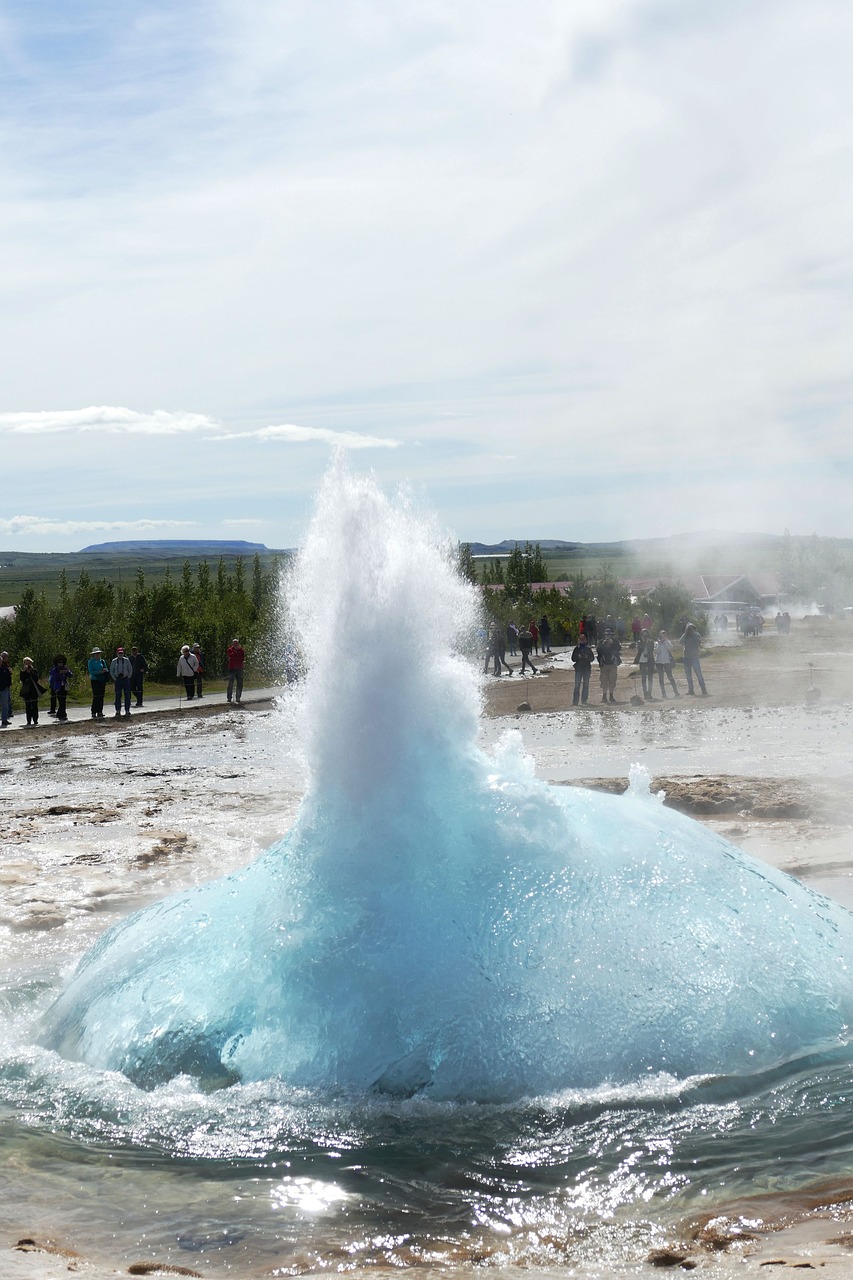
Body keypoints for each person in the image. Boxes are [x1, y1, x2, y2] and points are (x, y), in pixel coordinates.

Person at [679, 623, 708, 696]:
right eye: (689, 628)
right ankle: (691, 690)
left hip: (694, 658)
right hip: (686, 658)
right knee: (688, 675)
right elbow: (680, 641)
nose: (690, 630)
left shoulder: (696, 634)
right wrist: (685, 633)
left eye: (691, 628)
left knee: (699, 674)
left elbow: (698, 642)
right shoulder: (685, 635)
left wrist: (693, 634)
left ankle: (704, 690)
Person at [596, 628, 621, 703]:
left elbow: (619, 649)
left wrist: (612, 643)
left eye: (609, 634)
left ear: (611, 635)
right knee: (604, 680)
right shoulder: (601, 642)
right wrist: (603, 644)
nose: (608, 636)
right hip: (604, 664)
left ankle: (611, 695)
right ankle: (604, 696)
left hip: (613, 663)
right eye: (606, 634)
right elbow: (598, 651)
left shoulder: (615, 641)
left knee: (612, 680)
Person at [654, 630, 680, 697]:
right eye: (662, 635)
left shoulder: (668, 642)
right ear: (660, 635)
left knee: (670, 677)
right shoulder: (656, 643)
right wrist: (660, 644)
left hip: (667, 661)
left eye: (665, 635)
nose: (663, 636)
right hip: (659, 662)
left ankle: (676, 692)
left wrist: (665, 641)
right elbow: (656, 652)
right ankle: (664, 694)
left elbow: (670, 648)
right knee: (661, 678)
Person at [110, 646, 134, 717]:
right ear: (117, 653)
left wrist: (128, 677)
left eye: (121, 653)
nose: (120, 654)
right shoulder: (114, 661)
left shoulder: (126, 660)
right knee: (118, 695)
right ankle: (118, 710)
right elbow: (111, 670)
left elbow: (130, 669)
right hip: (118, 680)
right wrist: (115, 678)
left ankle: (127, 710)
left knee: (127, 695)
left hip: (125, 679)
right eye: (119, 653)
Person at [48, 654, 73, 721]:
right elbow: (53, 677)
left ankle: (60, 714)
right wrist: (59, 673)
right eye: (59, 663)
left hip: (64, 686)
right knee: (61, 701)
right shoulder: (55, 669)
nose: (60, 664)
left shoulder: (65, 668)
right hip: (58, 687)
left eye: (61, 663)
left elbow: (71, 675)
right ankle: (62, 714)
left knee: (63, 700)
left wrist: (67, 671)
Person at [570, 636, 594, 705]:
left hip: (586, 669)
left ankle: (584, 701)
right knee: (577, 686)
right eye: (581, 639)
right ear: (578, 640)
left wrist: (587, 657)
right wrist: (578, 656)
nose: (582, 641)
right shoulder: (576, 649)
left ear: (586, 640)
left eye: (583, 639)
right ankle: (575, 702)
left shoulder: (588, 649)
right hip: (578, 669)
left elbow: (592, 658)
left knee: (586, 685)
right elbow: (573, 659)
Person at [19, 657, 43, 726]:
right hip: (26, 691)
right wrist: (25, 671)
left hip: (34, 690)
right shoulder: (22, 672)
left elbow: (36, 679)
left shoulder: (34, 671)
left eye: (29, 663)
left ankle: (35, 720)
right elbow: (22, 679)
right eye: (26, 663)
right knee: (28, 706)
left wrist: (31, 672)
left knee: (35, 705)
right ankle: (28, 720)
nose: (28, 665)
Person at [87, 647, 110, 719]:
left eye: (98, 653)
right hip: (95, 680)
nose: (97, 655)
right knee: (96, 696)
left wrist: (104, 670)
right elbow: (91, 672)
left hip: (102, 679)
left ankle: (100, 711)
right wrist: (99, 672)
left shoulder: (102, 661)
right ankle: (94, 711)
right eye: (96, 654)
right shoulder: (90, 662)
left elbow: (106, 669)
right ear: (93, 654)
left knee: (101, 695)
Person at [634, 628, 656, 700]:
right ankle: (645, 693)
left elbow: (651, 649)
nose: (645, 636)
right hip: (642, 660)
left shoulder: (651, 641)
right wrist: (643, 642)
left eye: (646, 634)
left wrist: (648, 642)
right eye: (643, 634)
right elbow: (640, 649)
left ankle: (650, 693)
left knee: (650, 678)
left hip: (650, 660)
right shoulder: (639, 642)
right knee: (643, 678)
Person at [227, 638, 245, 704]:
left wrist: (236, 655)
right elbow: (231, 656)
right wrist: (236, 653)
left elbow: (242, 658)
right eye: (234, 643)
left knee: (240, 683)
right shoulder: (230, 649)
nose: (235, 644)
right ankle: (229, 697)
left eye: (236, 643)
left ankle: (238, 697)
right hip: (232, 668)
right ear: (232, 644)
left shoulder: (241, 650)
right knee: (230, 683)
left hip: (239, 668)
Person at [0, 651, 13, 727]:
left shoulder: (5, 668)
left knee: (5, 705)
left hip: (4, 688)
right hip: (2, 688)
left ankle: (4, 720)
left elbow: (8, 676)